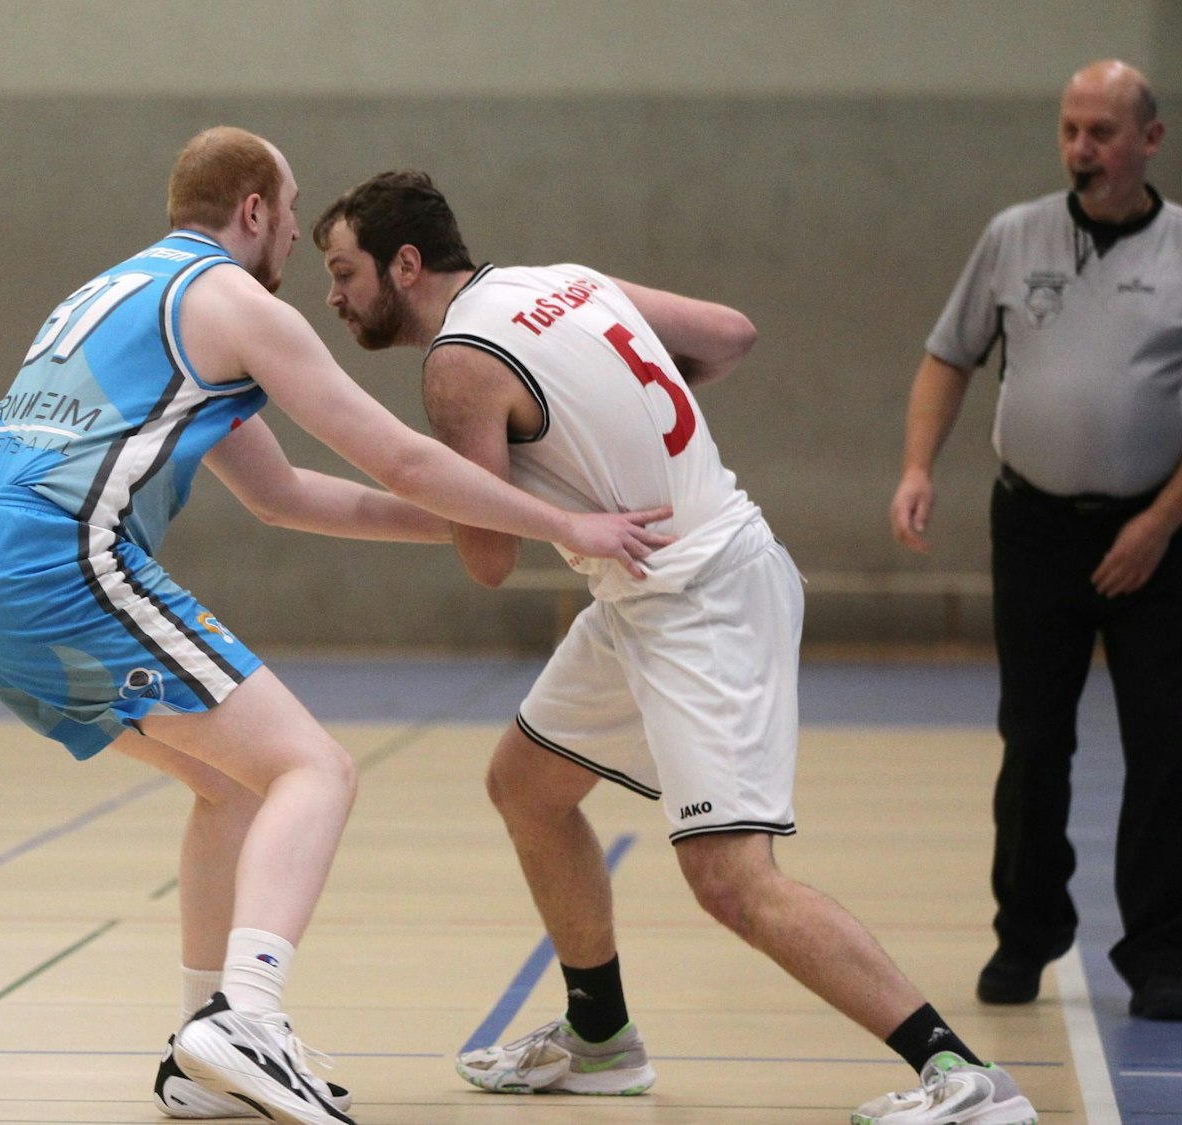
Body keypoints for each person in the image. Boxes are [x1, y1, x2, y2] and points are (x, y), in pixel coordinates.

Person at [0, 126, 673, 1125]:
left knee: (235, 786)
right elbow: (395, 459)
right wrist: (560, 520)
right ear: (253, 212)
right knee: (315, 769)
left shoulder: (120, 295)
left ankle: (201, 1050)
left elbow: (284, 496)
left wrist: (481, 522)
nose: (292, 241)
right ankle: (248, 1017)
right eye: (289, 212)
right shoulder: (232, 301)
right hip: (49, 557)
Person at [313, 170, 1038, 1125]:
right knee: (526, 785)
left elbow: (487, 557)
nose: (331, 297)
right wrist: (605, 425)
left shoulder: (457, 364)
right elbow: (730, 333)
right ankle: (600, 1037)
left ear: (405, 264)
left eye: (343, 271)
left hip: (701, 600)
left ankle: (962, 1074)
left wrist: (400, 484)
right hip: (647, 590)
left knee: (733, 883)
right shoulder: (561, 280)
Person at [889, 58, 1182, 1022]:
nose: (1081, 149)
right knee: (1033, 739)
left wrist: (1157, 522)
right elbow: (949, 355)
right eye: (1069, 130)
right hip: (1036, 527)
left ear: (1150, 140)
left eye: (1101, 132)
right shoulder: (1015, 237)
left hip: (1160, 533)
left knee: (1165, 746)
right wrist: (919, 466)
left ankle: (1160, 951)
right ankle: (1025, 932)